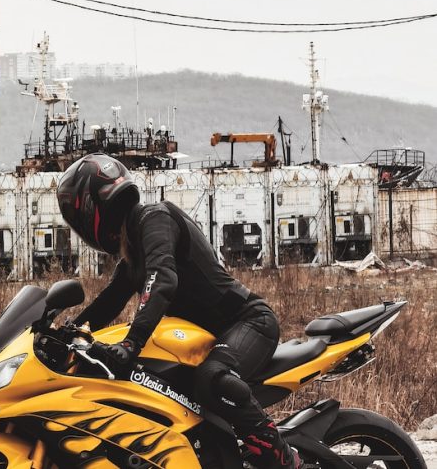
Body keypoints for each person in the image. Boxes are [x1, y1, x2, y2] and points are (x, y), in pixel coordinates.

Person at [57, 153, 301, 469]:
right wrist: (67, 333)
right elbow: (108, 304)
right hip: (211, 339)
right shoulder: (134, 254)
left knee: (213, 380)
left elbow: (163, 280)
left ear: (93, 209)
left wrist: (132, 343)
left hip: (249, 323)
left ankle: (287, 461)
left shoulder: (154, 219)